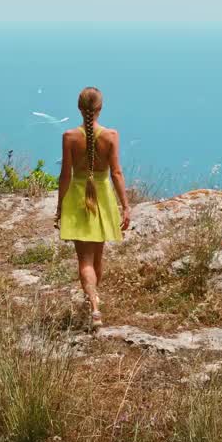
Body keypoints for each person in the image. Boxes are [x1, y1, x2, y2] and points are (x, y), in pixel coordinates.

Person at [55, 87, 131, 327]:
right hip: (102, 197)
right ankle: (94, 302)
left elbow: (65, 175)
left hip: (78, 197)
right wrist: (125, 206)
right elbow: (117, 173)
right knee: (97, 256)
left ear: (79, 108)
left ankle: (94, 307)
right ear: (100, 108)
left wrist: (60, 207)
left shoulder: (69, 137)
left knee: (84, 260)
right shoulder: (111, 136)